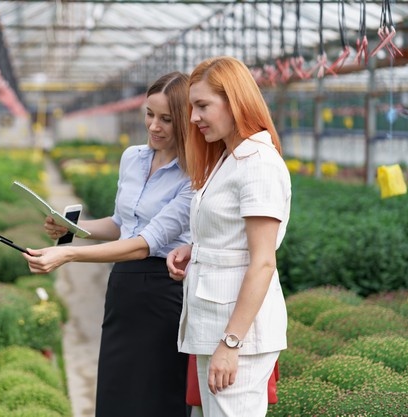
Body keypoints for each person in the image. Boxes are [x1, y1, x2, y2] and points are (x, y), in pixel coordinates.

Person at [23, 71, 193, 417]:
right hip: (123, 288)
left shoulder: (193, 176)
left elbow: (145, 243)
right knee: (116, 393)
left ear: (187, 121)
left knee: (158, 396)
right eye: (149, 114)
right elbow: (121, 225)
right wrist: (71, 228)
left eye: (167, 119)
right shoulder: (132, 158)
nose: (154, 126)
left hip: (165, 294)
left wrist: (68, 254)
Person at [166, 56, 291, 417]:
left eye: (203, 105)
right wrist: (197, 250)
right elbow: (236, 237)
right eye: (192, 107)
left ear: (234, 100)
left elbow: (263, 261)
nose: (193, 118)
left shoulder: (259, 165)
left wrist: (231, 343)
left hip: (238, 336)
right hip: (214, 322)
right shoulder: (229, 159)